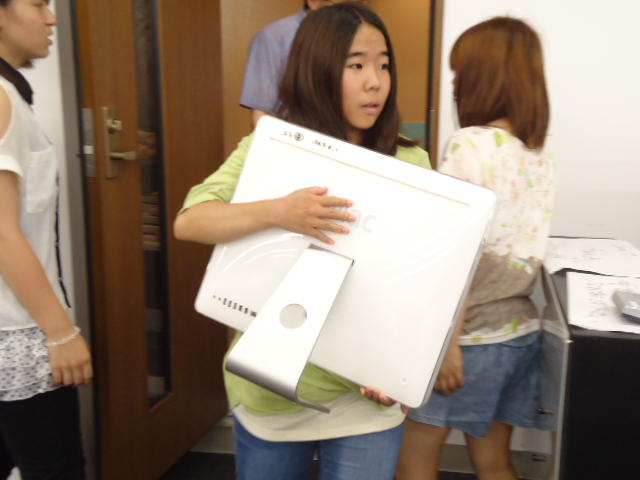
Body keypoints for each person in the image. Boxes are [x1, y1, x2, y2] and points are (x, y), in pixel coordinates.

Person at [175, 3, 429, 479]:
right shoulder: (272, 147)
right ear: (317, 71)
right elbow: (191, 221)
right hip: (272, 388)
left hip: (366, 393)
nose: (375, 82)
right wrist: (279, 211)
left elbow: (423, 281)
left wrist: (402, 368)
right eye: (356, 65)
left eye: (383, 65)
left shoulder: (412, 163)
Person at [396, 17, 554, 480]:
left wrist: (446, 346)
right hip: (519, 333)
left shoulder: (470, 145)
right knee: (494, 462)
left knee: (413, 460)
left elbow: (457, 255)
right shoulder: (537, 157)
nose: (455, 84)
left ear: (483, 77)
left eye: (460, 72)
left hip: (469, 339)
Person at [0, 0, 92, 478]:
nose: (52, 18)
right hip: (18, 334)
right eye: (38, 3)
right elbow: (2, 233)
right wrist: (61, 332)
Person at [240, 0, 349, 126]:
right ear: (313, 2)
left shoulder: (355, 33)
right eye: (340, 6)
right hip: (293, 132)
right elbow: (261, 113)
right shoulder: (274, 36)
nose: (347, 14)